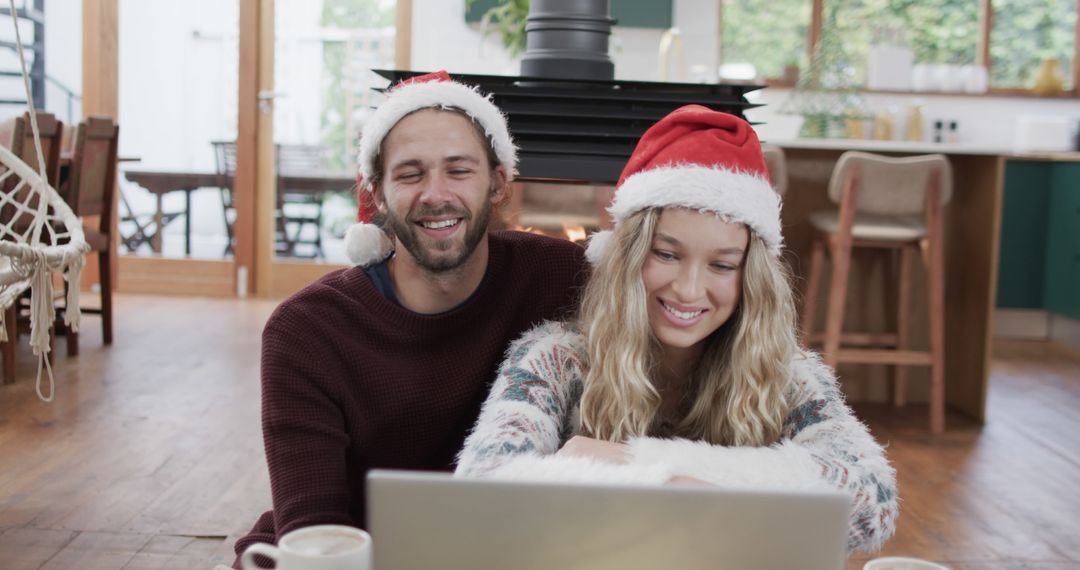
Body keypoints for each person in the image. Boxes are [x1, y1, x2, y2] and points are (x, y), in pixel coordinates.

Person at [455, 105, 898, 553]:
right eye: (666, 254)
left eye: (722, 265)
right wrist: (713, 493)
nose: (689, 290)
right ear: (629, 255)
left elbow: (872, 500)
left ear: (751, 277)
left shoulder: (784, 373)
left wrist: (644, 465)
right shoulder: (554, 358)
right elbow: (482, 489)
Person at [232, 71, 587, 564]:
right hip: (361, 553)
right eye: (409, 173)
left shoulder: (563, 277)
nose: (435, 194)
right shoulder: (308, 330)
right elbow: (314, 525)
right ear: (376, 192)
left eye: (459, 170)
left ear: (498, 183)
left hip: (506, 547)